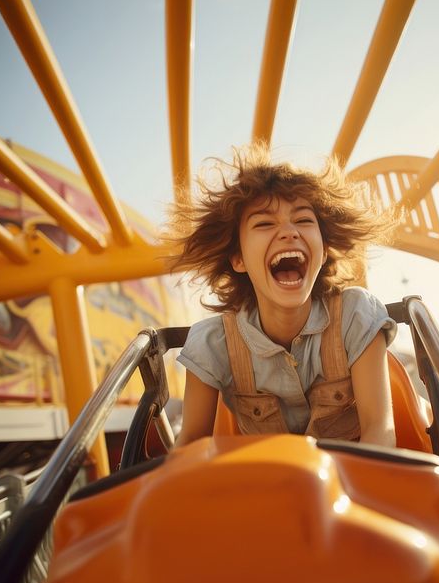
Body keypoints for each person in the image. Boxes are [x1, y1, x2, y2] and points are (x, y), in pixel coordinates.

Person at [168, 145, 397, 448]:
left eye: (303, 220)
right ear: (238, 259)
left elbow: (378, 428)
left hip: (354, 483)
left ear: (324, 248)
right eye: (264, 223)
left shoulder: (355, 315)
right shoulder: (214, 344)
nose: (289, 232)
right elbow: (191, 446)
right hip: (268, 488)